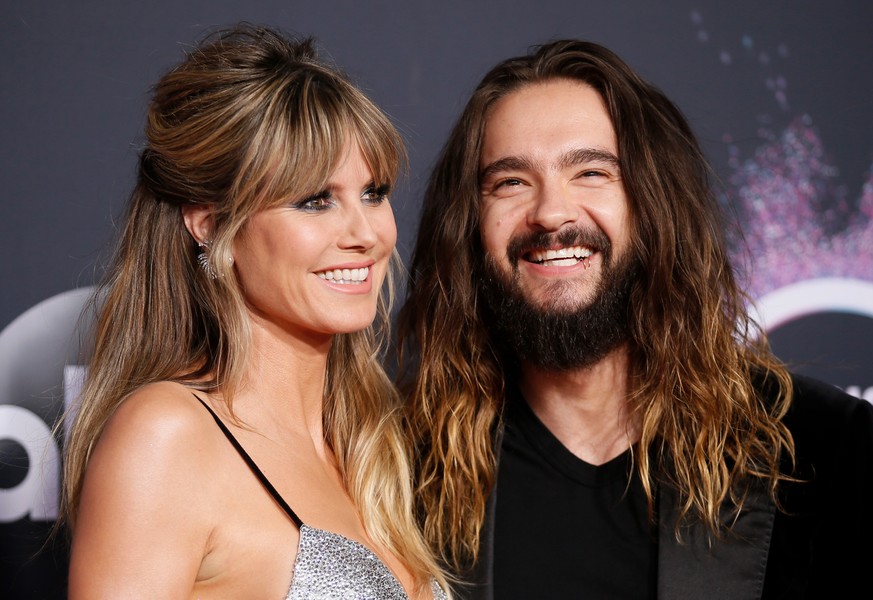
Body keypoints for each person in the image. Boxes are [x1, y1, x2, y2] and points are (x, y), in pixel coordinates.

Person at [397, 39, 873, 599]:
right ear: (470, 228)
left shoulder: (828, 449)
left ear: (654, 204)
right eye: (510, 182)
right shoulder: (402, 470)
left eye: (592, 173)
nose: (551, 211)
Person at [61, 23, 449, 599]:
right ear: (213, 224)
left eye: (374, 193)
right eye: (315, 201)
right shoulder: (167, 437)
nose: (367, 233)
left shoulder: (369, 445)